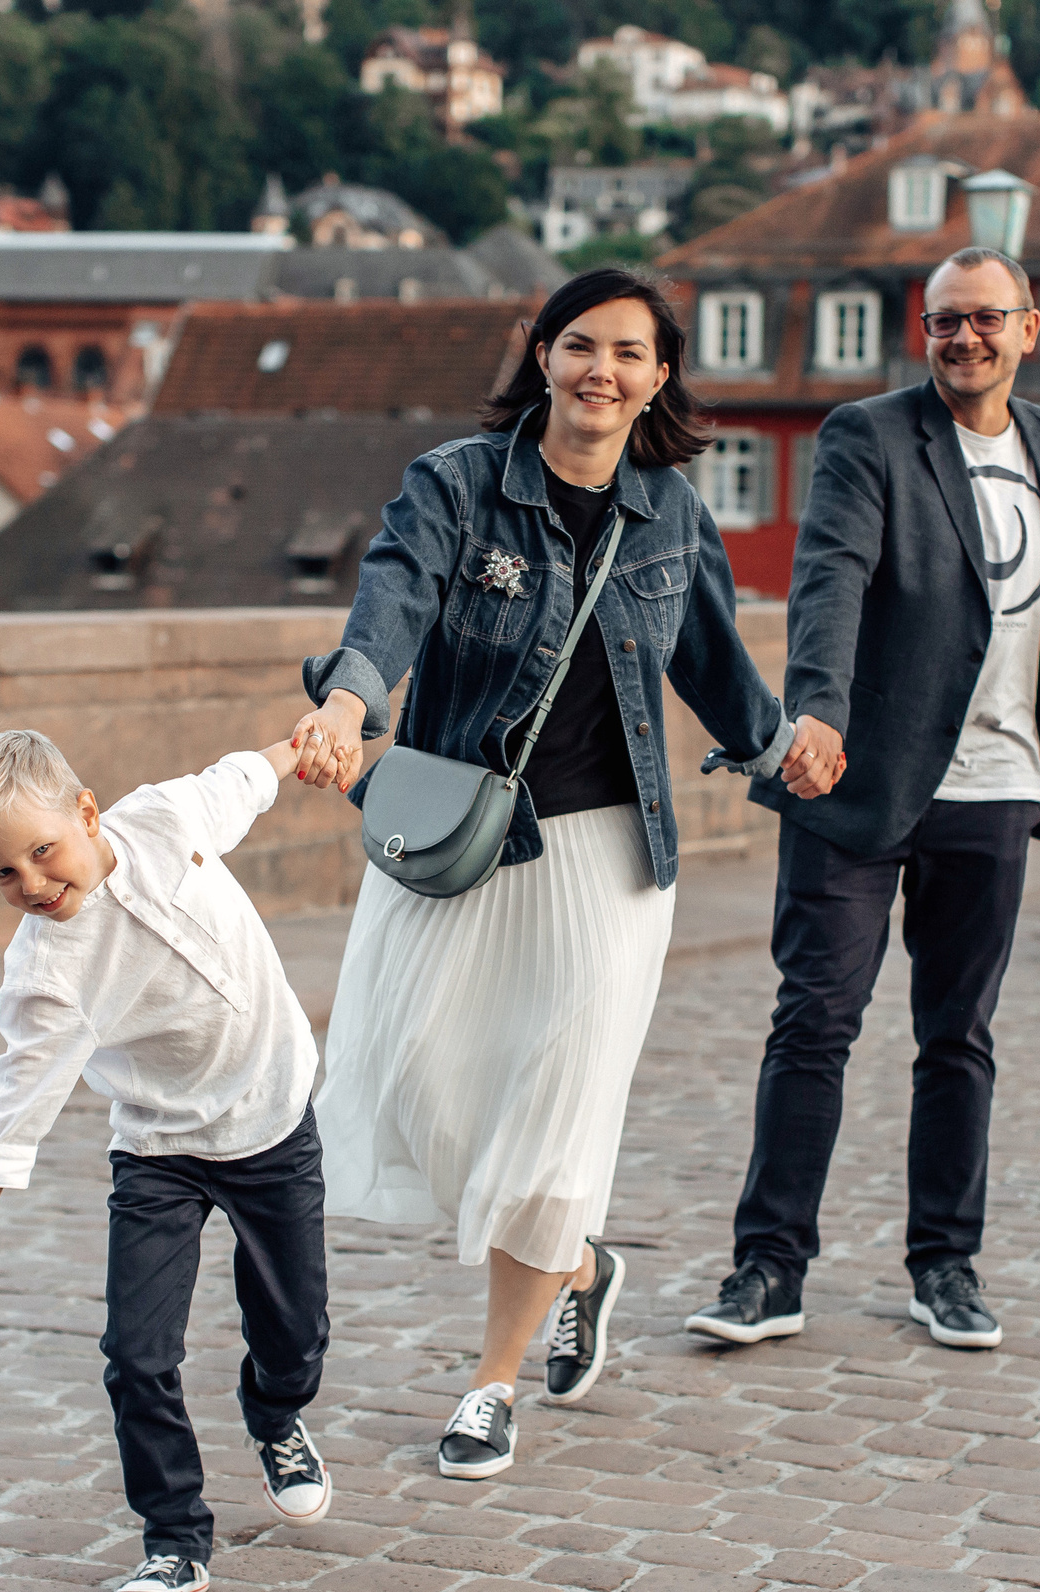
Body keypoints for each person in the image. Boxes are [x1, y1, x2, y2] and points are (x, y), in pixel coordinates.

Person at [289, 269, 828, 1482]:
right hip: (462, 833)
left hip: (606, 861)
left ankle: (491, 1384)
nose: (604, 372)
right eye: (581, 346)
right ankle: (581, 1264)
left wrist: (779, 745)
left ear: (659, 377)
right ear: (541, 356)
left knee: (553, 1119)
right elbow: (395, 601)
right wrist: (347, 700)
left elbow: (710, 662)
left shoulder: (671, 512)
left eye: (630, 354)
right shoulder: (458, 484)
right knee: (412, 1081)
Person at [684, 244, 1040, 1352]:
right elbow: (831, 575)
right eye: (946, 322)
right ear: (926, 330)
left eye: (986, 320)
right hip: (859, 778)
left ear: (1027, 329)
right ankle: (769, 1270)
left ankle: (944, 1266)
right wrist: (812, 713)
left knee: (959, 1035)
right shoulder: (869, 435)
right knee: (814, 1022)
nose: (965, 338)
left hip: (998, 783)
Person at [0, 730, 330, 1592]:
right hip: (159, 1150)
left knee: (294, 1331)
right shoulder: (49, 971)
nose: (33, 885)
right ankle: (173, 1540)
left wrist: (304, 744)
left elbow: (237, 778)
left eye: (41, 850)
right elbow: (16, 1107)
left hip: (271, 1116)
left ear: (88, 813)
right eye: (3, 874)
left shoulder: (166, 815)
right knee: (135, 1352)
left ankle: (275, 1416)